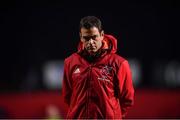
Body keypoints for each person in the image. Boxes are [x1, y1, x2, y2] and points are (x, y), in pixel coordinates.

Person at [62, 16, 134, 119]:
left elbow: (127, 99)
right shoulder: (70, 62)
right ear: (81, 37)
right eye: (86, 38)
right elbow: (67, 96)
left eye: (94, 37)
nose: (90, 42)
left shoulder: (119, 63)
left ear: (102, 35)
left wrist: (113, 116)